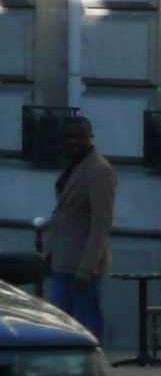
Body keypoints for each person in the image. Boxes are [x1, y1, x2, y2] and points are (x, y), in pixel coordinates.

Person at [36, 113, 116, 342]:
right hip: (62, 260)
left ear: (91, 137)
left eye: (79, 137)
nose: (74, 142)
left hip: (82, 265)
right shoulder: (75, 166)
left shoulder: (99, 170)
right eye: (69, 137)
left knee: (86, 326)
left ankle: (90, 368)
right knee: (59, 324)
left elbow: (101, 223)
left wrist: (87, 268)